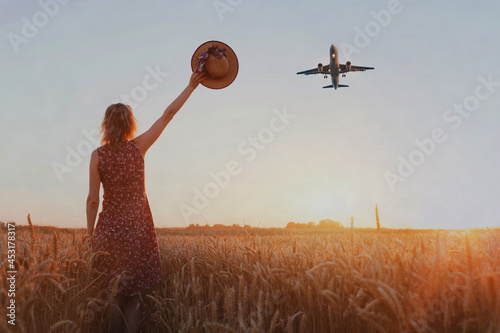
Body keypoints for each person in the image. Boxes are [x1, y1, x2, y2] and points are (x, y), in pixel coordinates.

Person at [86, 71, 206, 333]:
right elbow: (168, 115)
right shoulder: (138, 147)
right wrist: (190, 87)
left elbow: (93, 200)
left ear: (106, 125)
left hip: (109, 232)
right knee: (134, 294)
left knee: (114, 293)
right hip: (138, 230)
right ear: (130, 125)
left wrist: (89, 235)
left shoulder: (97, 156)